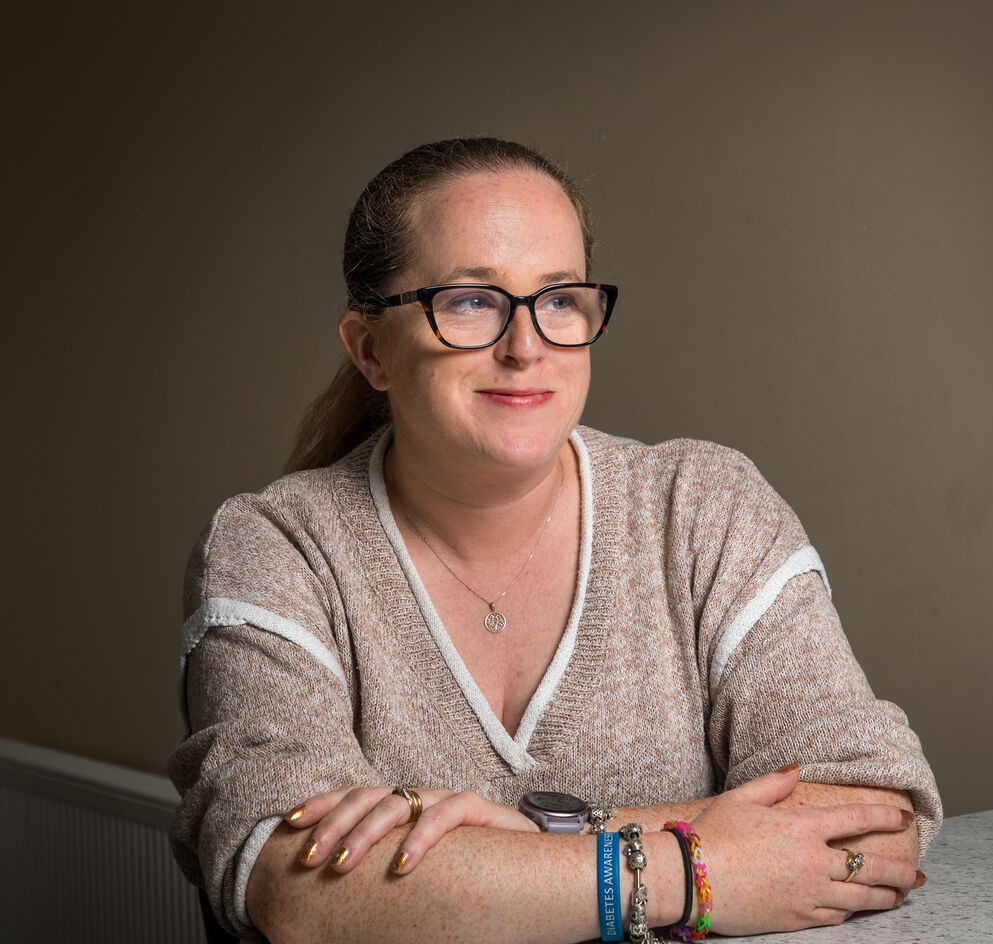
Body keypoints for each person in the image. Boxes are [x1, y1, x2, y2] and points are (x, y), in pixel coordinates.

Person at [170, 137, 941, 944]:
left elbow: (874, 825)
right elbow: (301, 890)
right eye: (470, 300)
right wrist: (692, 863)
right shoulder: (275, 547)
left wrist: (547, 839)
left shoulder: (704, 508)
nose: (526, 346)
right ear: (372, 351)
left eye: (560, 299)